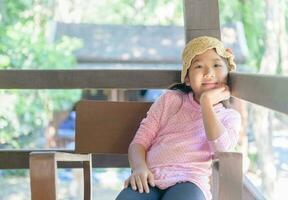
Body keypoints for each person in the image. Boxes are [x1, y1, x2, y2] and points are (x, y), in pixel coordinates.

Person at [115, 36, 241, 200]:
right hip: (150, 177)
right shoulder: (170, 100)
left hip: (190, 182)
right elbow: (139, 142)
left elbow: (221, 149)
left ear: (227, 74)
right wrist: (139, 168)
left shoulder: (229, 117)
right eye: (199, 66)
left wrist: (206, 103)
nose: (208, 73)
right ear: (187, 78)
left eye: (217, 65)